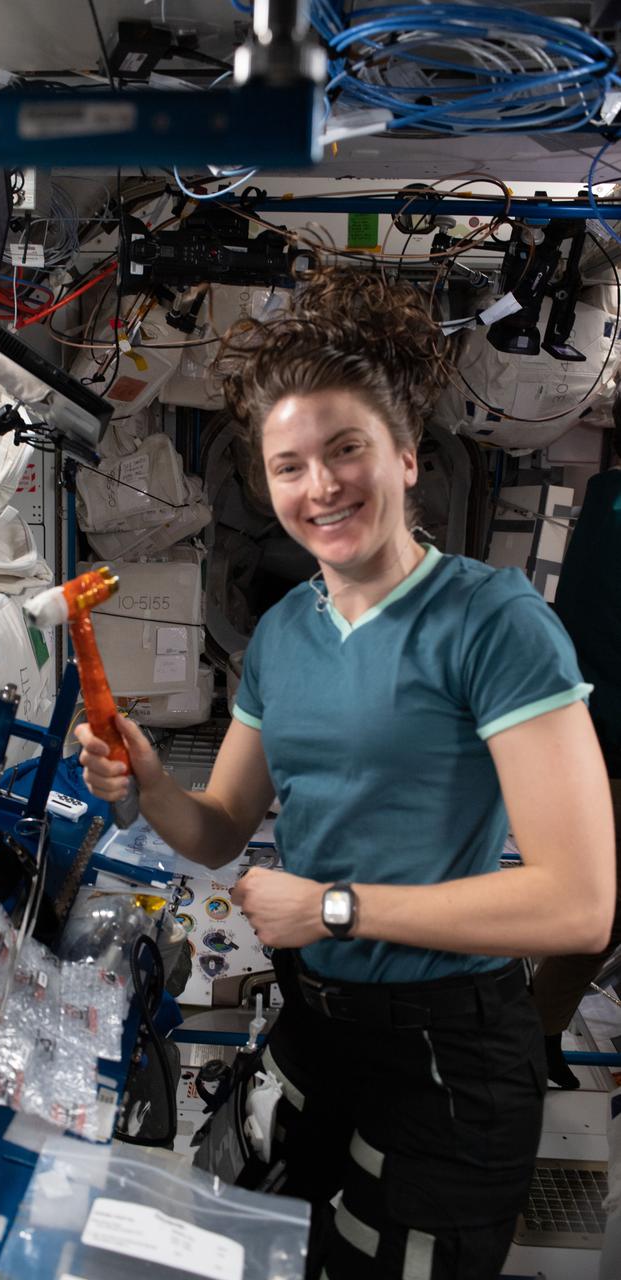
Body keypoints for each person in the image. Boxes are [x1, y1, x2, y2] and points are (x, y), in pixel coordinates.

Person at [75, 265, 615, 1280]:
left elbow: (578, 905)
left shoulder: (493, 624)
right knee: (244, 1241)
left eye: (344, 449)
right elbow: (221, 828)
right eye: (288, 465)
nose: (319, 486)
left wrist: (330, 906)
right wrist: (148, 780)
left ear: (405, 455)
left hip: (448, 1049)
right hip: (315, 1024)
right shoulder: (283, 632)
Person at [530, 401, 621, 1089]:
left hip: (590, 728)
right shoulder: (609, 507)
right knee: (602, 909)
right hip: (604, 733)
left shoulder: (604, 498)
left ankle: (535, 1029)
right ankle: (534, 1032)